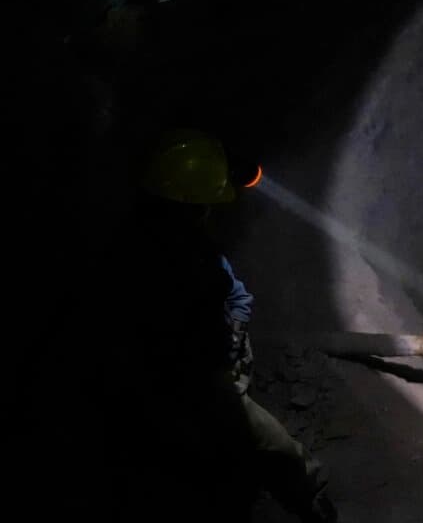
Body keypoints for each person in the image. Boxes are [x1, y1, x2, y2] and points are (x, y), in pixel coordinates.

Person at [106, 127, 337, 523]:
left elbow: (234, 292)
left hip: (196, 380)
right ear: (193, 205)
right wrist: (222, 366)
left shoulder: (184, 246)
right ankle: (314, 508)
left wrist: (235, 324)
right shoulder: (163, 267)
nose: (213, 210)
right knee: (274, 450)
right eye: (207, 202)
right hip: (194, 387)